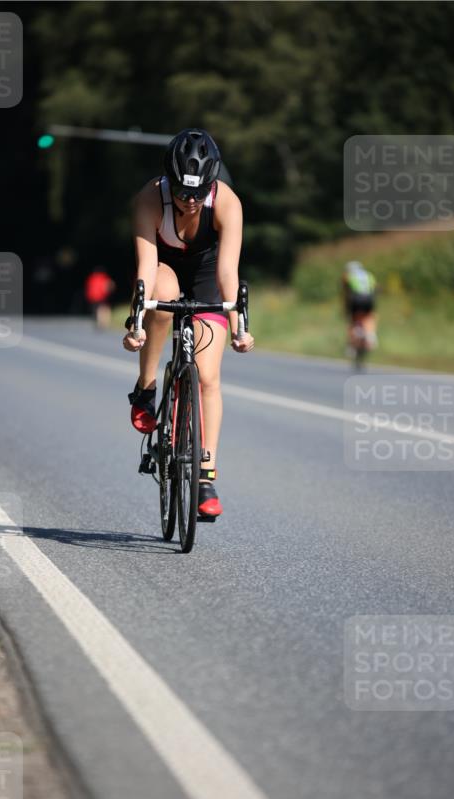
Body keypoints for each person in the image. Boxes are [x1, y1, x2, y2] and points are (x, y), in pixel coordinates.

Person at [123, 128, 253, 519]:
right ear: (169, 180)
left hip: (207, 271)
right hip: (163, 266)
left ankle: (204, 477)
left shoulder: (228, 204)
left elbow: (229, 272)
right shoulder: (148, 199)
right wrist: (136, 323)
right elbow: (145, 269)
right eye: (182, 192)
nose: (191, 201)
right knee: (161, 295)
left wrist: (239, 323)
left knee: (209, 376)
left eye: (199, 193)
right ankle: (145, 388)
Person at [342, 261, 378, 356]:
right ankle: (370, 335)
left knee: (353, 320)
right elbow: (374, 289)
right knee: (369, 317)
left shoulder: (348, 275)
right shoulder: (369, 275)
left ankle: (351, 345)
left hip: (355, 300)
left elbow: (346, 293)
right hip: (369, 300)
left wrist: (346, 309)